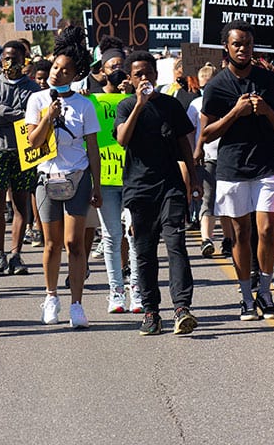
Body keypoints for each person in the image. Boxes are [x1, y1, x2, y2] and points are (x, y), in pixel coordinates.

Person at [200, 20, 274, 321]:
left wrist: (266, 110)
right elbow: (206, 134)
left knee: (267, 230)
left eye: (247, 43)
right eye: (237, 44)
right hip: (232, 169)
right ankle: (246, 297)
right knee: (241, 235)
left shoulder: (268, 80)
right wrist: (236, 112)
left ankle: (266, 294)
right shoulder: (217, 85)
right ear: (227, 48)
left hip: (267, 165)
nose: (243, 49)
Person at [114, 50, 198, 336]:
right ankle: (151, 311)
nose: (145, 78)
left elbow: (184, 142)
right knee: (145, 252)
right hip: (139, 189)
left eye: (149, 72)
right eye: (138, 74)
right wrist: (139, 104)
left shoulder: (171, 106)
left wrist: (193, 177)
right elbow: (123, 138)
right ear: (130, 78)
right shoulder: (126, 106)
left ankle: (182, 308)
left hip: (170, 185)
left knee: (176, 242)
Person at [25, 25, 102, 329]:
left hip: (78, 177)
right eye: (56, 67)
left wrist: (96, 184)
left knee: (74, 242)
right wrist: (48, 116)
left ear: (75, 75)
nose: (58, 73)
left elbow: (93, 148)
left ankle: (77, 305)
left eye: (66, 70)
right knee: (51, 244)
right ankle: (51, 296)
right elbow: (33, 141)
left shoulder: (84, 105)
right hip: (46, 178)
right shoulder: (37, 100)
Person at [0, 39, 40, 276]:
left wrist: (5, 111)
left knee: (20, 202)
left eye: (15, 58)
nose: (10, 62)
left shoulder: (34, 89)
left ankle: (15, 254)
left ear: (23, 60)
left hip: (23, 151)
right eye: (6, 58)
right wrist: (15, 114)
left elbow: (33, 117)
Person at [187, 63, 219, 256]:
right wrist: (193, 153)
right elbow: (190, 132)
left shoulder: (227, 101)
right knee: (207, 199)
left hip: (226, 156)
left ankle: (229, 239)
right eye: (203, 84)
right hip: (206, 156)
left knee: (226, 200)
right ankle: (206, 239)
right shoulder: (195, 104)